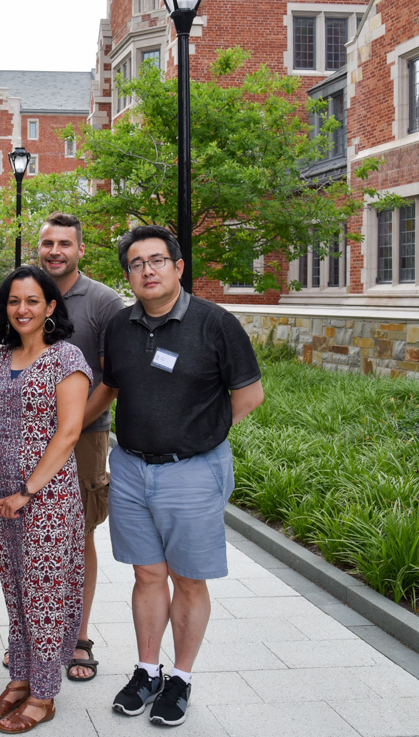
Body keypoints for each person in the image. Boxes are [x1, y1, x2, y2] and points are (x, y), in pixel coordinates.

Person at [86, 225, 264, 727]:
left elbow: (249, 396)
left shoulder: (216, 324)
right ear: (128, 275)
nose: (147, 270)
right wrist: (70, 428)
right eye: (137, 263)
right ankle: (147, 670)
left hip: (192, 470)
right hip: (129, 466)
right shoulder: (119, 327)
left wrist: (196, 432)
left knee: (187, 580)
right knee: (147, 574)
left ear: (178, 266)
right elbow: (112, 386)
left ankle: (180, 678)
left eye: (157, 260)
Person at [0, 265, 91, 734]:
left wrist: (26, 492)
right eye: (14, 301)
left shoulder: (67, 358)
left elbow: (68, 434)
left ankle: (44, 696)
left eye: (32, 301)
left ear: (50, 307)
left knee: (44, 594)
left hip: (46, 500)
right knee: (16, 591)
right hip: (0, 498)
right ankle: (20, 679)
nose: (22, 309)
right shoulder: (0, 358)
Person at [36, 211, 125, 682]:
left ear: (80, 249)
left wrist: (68, 426)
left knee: (79, 533)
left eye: (64, 244)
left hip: (86, 437)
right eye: (48, 243)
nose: (55, 251)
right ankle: (36, 635)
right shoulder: (26, 292)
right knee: (32, 539)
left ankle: (78, 637)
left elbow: (112, 381)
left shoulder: (105, 303)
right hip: (28, 438)